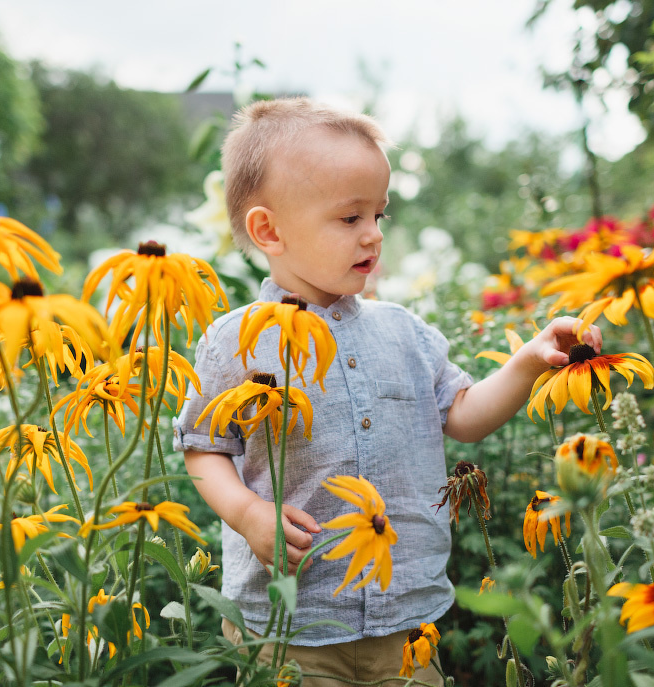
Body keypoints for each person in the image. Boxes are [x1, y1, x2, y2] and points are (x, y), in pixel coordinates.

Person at [173, 97, 601, 686]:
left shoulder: (404, 332)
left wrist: (529, 361)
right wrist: (248, 514)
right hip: (288, 630)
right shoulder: (236, 343)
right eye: (350, 218)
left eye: (380, 214)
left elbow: (464, 415)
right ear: (269, 230)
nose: (373, 235)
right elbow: (203, 447)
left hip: (406, 627)